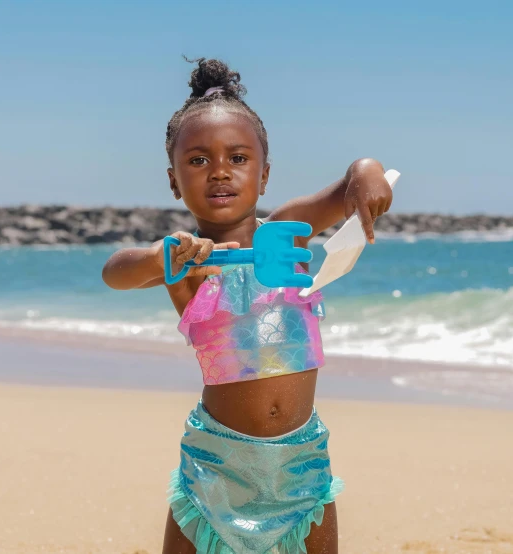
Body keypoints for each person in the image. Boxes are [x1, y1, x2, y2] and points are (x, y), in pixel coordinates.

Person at [102, 57, 393, 554]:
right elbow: (116, 272)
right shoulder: (187, 264)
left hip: (301, 463)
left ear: (264, 175)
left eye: (238, 159)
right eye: (198, 161)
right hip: (217, 464)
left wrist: (366, 171)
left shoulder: (288, 230)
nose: (219, 172)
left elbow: (349, 188)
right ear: (174, 180)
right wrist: (160, 255)